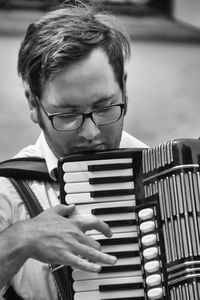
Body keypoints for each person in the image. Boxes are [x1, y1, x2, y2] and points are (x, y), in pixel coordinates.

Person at [0, 1, 147, 299]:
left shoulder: (172, 177)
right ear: (33, 104)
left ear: (125, 90)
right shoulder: (8, 191)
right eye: (67, 114)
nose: (91, 133)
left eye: (105, 107)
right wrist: (18, 241)